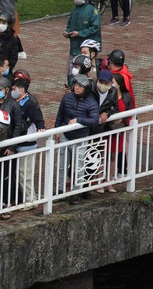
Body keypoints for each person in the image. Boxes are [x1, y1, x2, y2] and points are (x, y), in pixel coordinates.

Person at [55, 74, 100, 204]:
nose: (76, 88)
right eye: (75, 85)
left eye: (79, 86)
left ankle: (76, 191)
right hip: (65, 135)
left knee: (78, 166)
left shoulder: (91, 102)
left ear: (85, 88)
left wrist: (78, 120)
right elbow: (60, 114)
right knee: (62, 165)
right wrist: (57, 130)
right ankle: (60, 190)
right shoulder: (67, 98)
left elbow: (94, 120)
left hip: (80, 138)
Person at [11, 78, 45, 207]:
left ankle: (30, 200)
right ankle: (23, 197)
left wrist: (41, 128)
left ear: (22, 90)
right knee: (20, 174)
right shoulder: (14, 101)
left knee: (26, 174)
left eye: (14, 89)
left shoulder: (30, 103)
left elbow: (39, 119)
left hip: (27, 143)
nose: (12, 91)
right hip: (18, 142)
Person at [64, 0, 101, 85]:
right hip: (74, 48)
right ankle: (72, 89)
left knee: (87, 71)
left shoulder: (92, 11)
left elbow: (95, 27)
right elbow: (70, 25)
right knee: (71, 71)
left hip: (86, 49)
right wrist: (67, 32)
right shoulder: (74, 11)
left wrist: (80, 33)